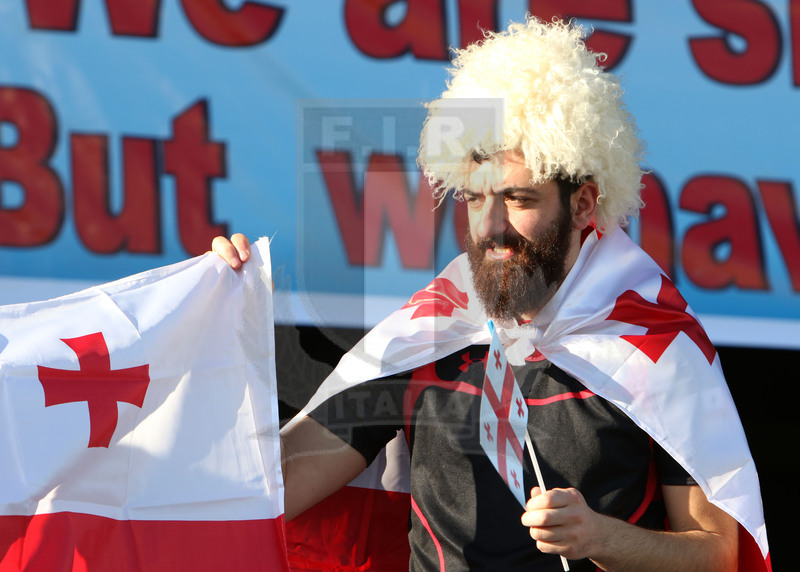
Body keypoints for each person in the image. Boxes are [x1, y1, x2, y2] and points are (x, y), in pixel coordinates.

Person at [214, 17, 767, 571]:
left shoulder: (654, 344)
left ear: (583, 204)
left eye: (519, 199)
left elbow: (717, 555)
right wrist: (216, 331)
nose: (490, 226)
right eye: (476, 199)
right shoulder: (430, 332)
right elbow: (270, 486)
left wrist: (601, 537)